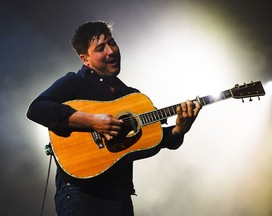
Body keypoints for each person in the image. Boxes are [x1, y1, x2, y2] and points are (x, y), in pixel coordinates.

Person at [27, 21, 201, 216]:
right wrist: (92, 121)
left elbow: (155, 140)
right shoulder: (76, 82)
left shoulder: (131, 96)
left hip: (120, 197)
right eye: (101, 48)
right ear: (85, 59)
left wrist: (179, 130)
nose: (111, 51)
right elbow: (36, 109)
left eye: (112, 43)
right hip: (80, 194)